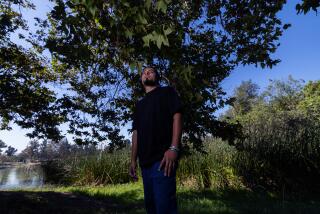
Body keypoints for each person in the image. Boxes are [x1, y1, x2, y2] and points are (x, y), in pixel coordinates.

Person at [129, 66, 183, 214]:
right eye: (144, 72)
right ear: (141, 80)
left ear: (157, 76)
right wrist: (133, 160)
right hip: (144, 163)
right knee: (151, 207)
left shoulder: (167, 92)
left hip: (163, 160)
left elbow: (177, 116)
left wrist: (173, 148)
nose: (146, 73)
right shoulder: (139, 105)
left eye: (150, 71)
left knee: (164, 208)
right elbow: (136, 133)